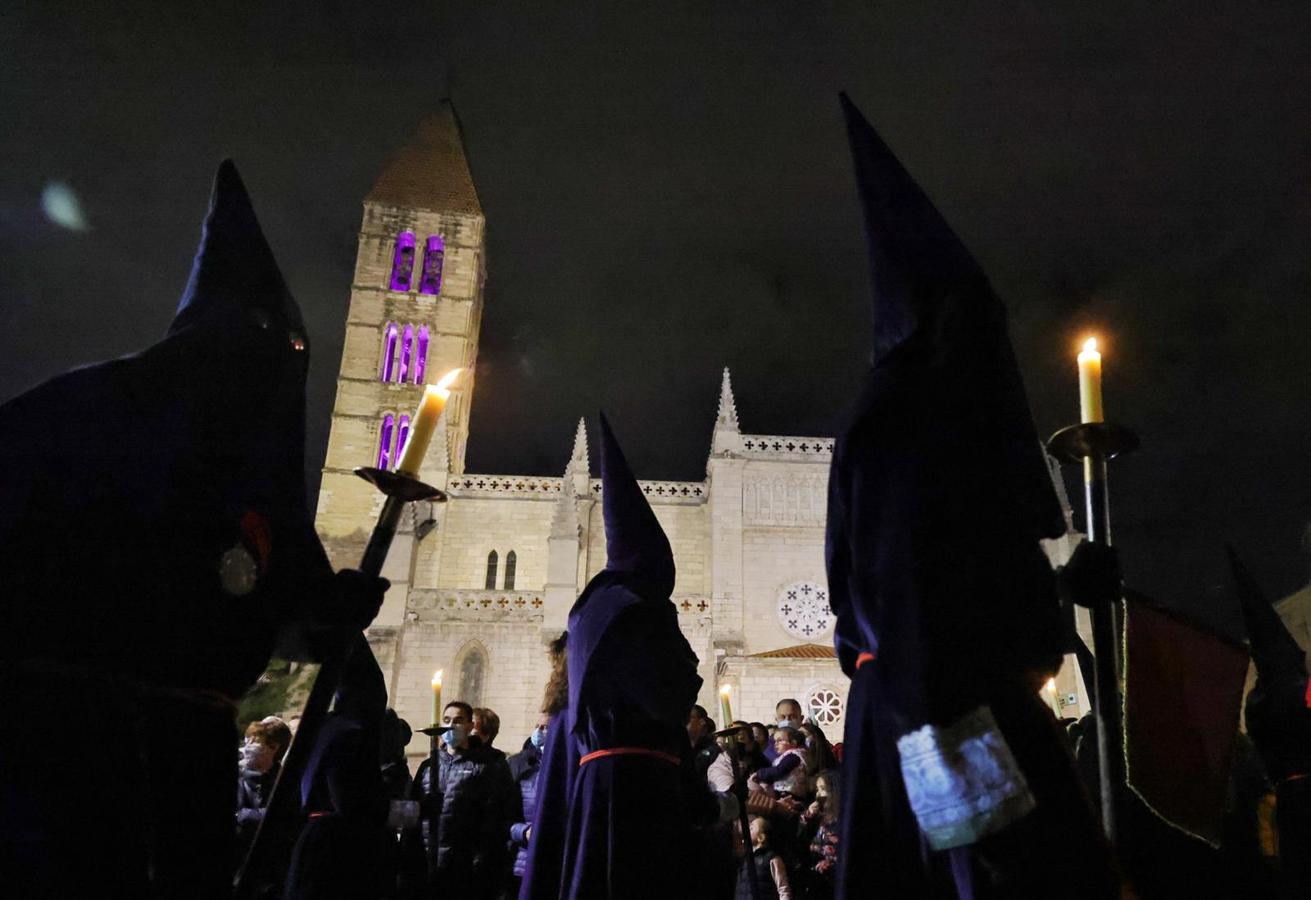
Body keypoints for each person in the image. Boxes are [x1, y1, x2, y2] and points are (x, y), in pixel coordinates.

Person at [0, 160, 387, 900]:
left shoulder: (251, 468)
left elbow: (284, 597)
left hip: (190, 761)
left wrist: (329, 614)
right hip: (57, 747)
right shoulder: (83, 413)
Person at [826, 94, 1116, 898]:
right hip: (945, 721)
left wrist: (1060, 593)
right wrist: (977, 815)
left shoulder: (930, 417)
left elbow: (965, 579)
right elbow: (912, 611)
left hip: (964, 705)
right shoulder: (906, 418)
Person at [550, 413, 729, 898]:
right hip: (641, 787)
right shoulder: (640, 607)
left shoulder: (590, 610)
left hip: (596, 784)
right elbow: (667, 693)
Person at [411, 701, 512, 897]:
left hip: (463, 869)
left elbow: (493, 820)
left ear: (470, 726)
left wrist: (479, 863)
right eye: (447, 720)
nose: (451, 726)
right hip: (427, 864)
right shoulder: (428, 766)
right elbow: (415, 815)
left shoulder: (486, 767)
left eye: (458, 720)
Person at [236, 716, 292, 855]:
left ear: (274, 747)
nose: (247, 747)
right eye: (247, 740)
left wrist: (246, 815)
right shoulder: (238, 775)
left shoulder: (285, 781)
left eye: (255, 742)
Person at [507, 713, 549, 897]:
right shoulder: (518, 764)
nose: (539, 731)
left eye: (545, 727)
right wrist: (523, 832)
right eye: (537, 726)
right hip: (519, 862)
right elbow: (503, 815)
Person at [797, 771, 841, 900]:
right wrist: (807, 816)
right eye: (817, 789)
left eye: (822, 789)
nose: (818, 794)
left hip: (834, 881)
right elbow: (800, 840)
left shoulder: (843, 821)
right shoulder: (818, 819)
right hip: (815, 881)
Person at [750, 727, 809, 802]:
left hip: (790, 794)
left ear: (793, 742)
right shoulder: (791, 755)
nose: (776, 744)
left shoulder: (793, 756)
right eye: (775, 741)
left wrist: (759, 774)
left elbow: (779, 770)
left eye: (779, 740)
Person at [738, 818, 792, 900]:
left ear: (761, 836)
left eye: (752, 828)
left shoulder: (772, 859)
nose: (748, 829)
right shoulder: (745, 859)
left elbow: (783, 889)